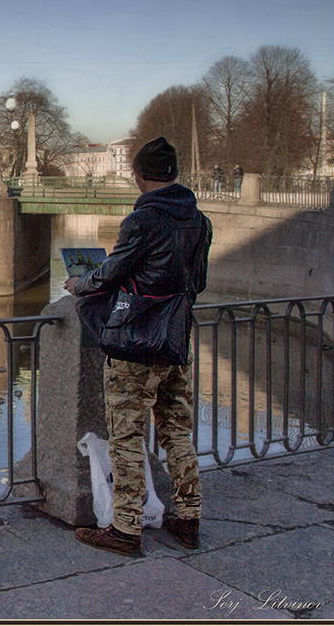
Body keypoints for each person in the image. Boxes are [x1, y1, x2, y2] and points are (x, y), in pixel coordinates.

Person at [63, 136, 212, 557]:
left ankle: (125, 529)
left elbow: (109, 273)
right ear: (175, 174)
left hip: (135, 344)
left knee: (126, 435)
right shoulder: (199, 221)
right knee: (176, 432)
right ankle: (189, 518)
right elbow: (196, 283)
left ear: (138, 175)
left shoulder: (143, 220)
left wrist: (78, 284)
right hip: (176, 342)